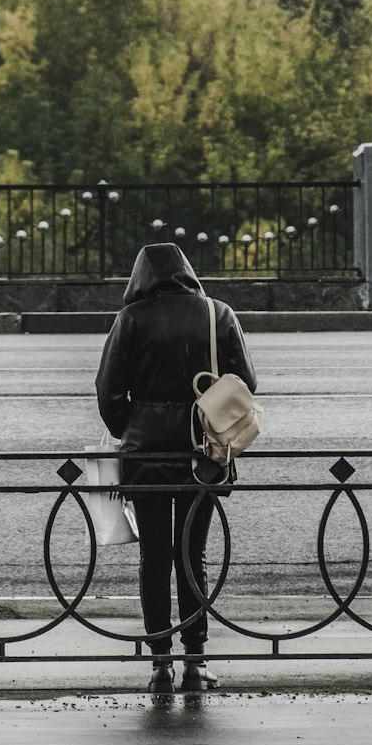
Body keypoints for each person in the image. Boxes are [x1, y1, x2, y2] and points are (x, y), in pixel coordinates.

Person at [95, 242, 257, 696]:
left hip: (146, 453)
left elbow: (108, 390)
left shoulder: (131, 319)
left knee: (154, 557)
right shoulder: (216, 313)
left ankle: (160, 663)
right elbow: (247, 382)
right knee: (193, 555)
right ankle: (196, 661)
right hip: (201, 452)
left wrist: (135, 425)